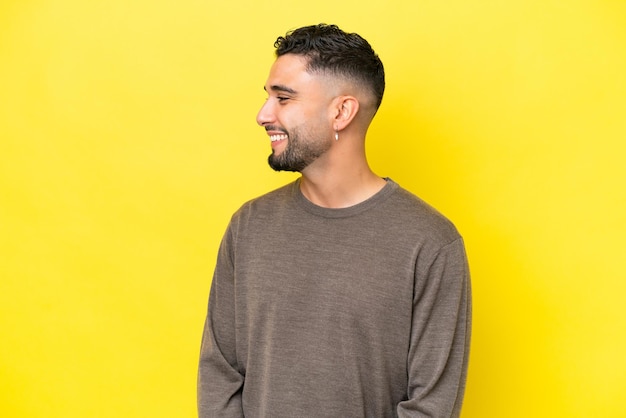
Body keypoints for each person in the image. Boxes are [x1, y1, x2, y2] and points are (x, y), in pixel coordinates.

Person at [198, 24, 471, 418]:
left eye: (284, 98)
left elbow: (432, 405)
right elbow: (220, 377)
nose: (263, 115)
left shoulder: (430, 243)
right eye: (268, 98)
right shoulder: (248, 227)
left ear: (341, 112)